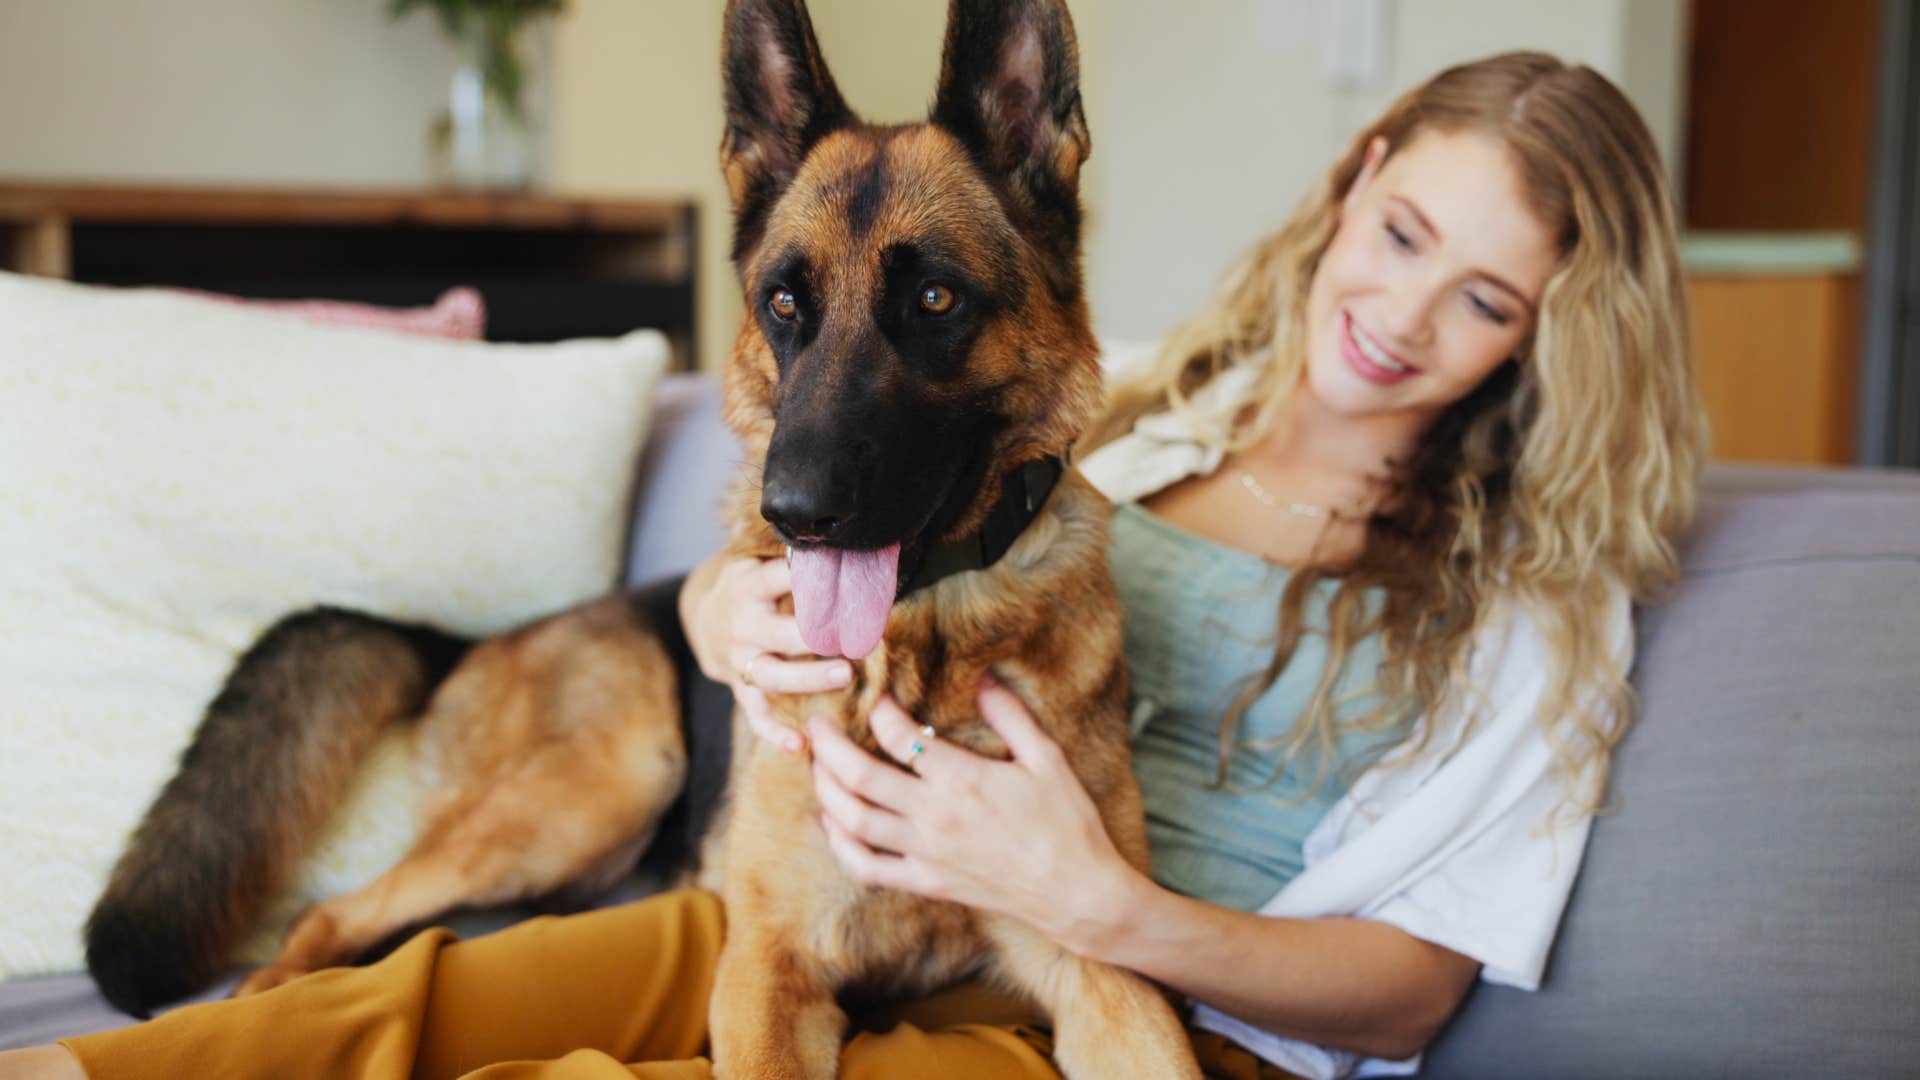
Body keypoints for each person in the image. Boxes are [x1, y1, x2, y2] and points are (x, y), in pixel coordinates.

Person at [0, 51, 1703, 1080]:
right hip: (843, 895)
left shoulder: (1542, 603)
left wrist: (1100, 903)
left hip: (1094, 989)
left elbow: (1413, 994)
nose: (1401, 313)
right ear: (1358, 181)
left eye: (1484, 296)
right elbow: (795, 543)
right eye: (1403, 234)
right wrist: (722, 614)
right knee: (462, 990)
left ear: (1557, 332)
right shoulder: (1154, 417)